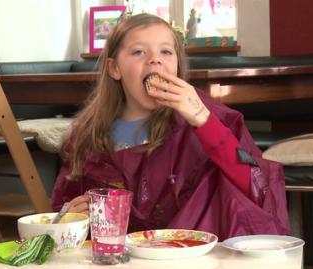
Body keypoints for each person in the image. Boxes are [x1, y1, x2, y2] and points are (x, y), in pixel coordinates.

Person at [51, 13, 289, 240]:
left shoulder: (203, 116)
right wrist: (73, 216)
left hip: (196, 259)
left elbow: (255, 186)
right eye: (139, 52)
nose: (155, 59)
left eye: (166, 51)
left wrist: (203, 121)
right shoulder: (90, 136)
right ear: (115, 69)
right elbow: (65, 212)